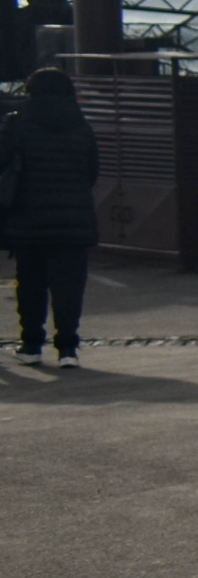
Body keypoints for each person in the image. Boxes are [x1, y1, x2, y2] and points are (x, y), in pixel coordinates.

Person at [3, 67, 101, 368]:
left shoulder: (16, 123)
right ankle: (68, 349)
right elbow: (92, 172)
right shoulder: (81, 124)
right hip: (73, 219)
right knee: (69, 286)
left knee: (30, 283)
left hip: (28, 217)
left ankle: (31, 345)